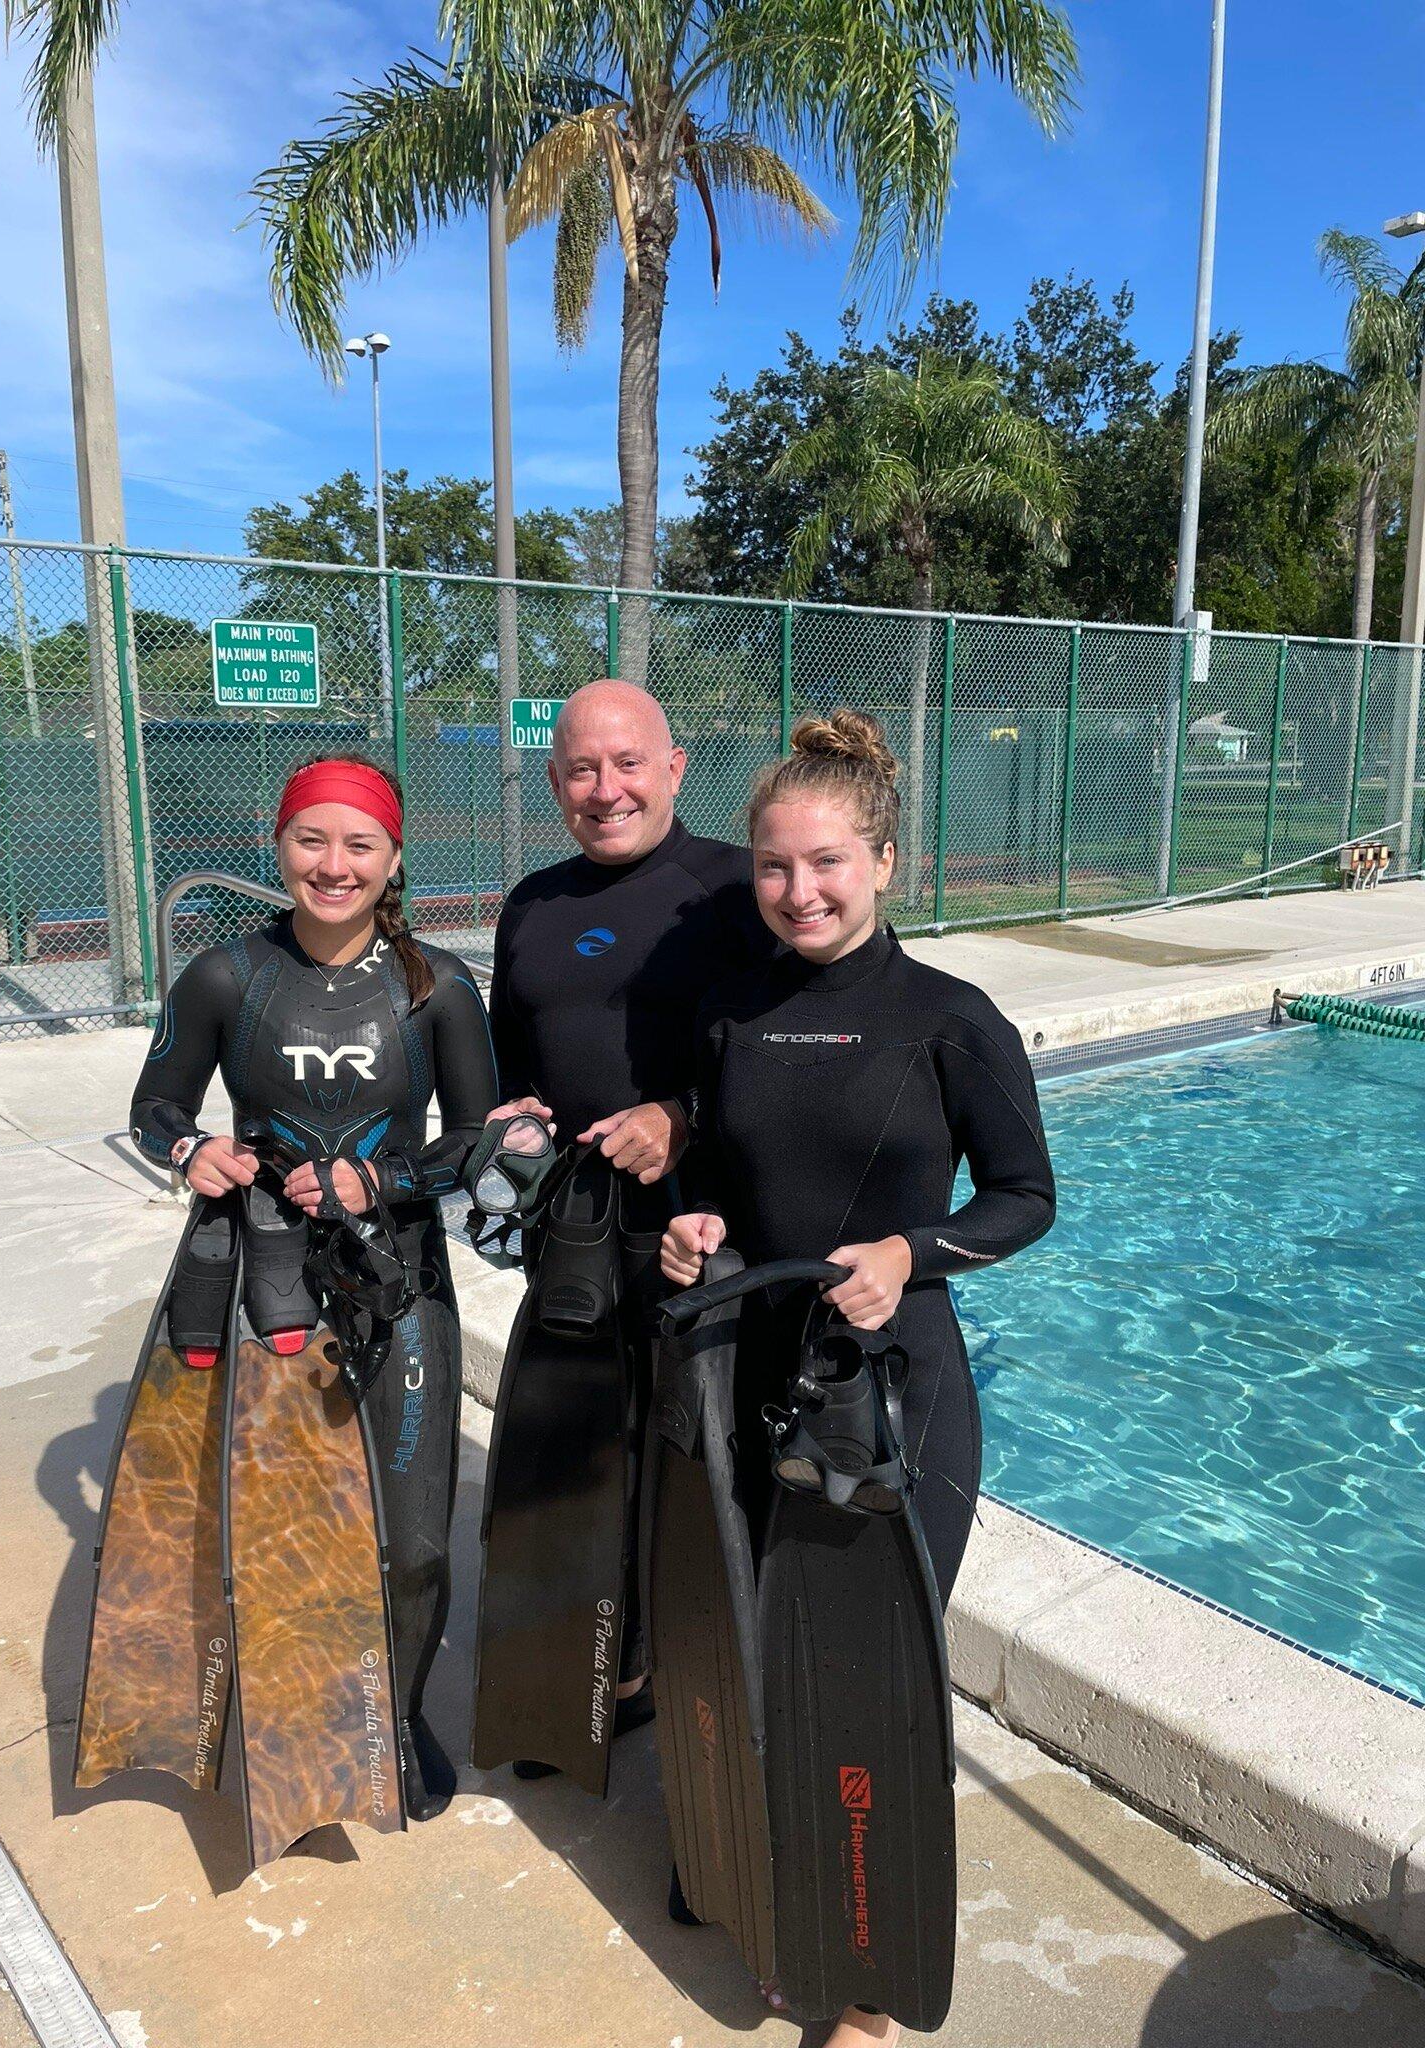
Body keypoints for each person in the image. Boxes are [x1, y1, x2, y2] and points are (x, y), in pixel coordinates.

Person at [660, 710, 1057, 2046]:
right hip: (760, 1373)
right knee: (770, 1655)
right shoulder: (735, 1012)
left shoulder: (950, 1019)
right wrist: (698, 1220)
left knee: (873, 1678)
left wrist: (910, 1249)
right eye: (775, 868)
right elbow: (722, 1173)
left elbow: (1025, 1199)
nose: (800, 892)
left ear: (885, 860)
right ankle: (791, 1902)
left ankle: (869, 1982)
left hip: (899, 1393)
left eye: (828, 864)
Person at [128, 752, 498, 1819]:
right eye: (312, 840)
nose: (333, 865)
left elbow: (476, 1139)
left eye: (360, 845)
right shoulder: (224, 976)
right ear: (277, 842)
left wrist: (377, 1174)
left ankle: (399, 1705)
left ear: (393, 860)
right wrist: (190, 1147)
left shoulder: (440, 986)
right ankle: (306, 1693)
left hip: (401, 1280)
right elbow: (156, 1100)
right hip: (271, 1278)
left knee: (416, 1534)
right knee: (286, 1517)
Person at [488, 677, 774, 1747]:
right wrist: (503, 1138)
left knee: (693, 1462)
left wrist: (686, 1115)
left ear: (674, 767)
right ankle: (581, 1658)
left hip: (704, 1231)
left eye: (627, 763)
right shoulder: (535, 904)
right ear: (555, 779)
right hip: (574, 1237)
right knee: (579, 1454)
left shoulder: (736, 890)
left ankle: (672, 1661)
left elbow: (792, 1054)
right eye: (581, 768)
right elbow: (513, 1071)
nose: (606, 789)